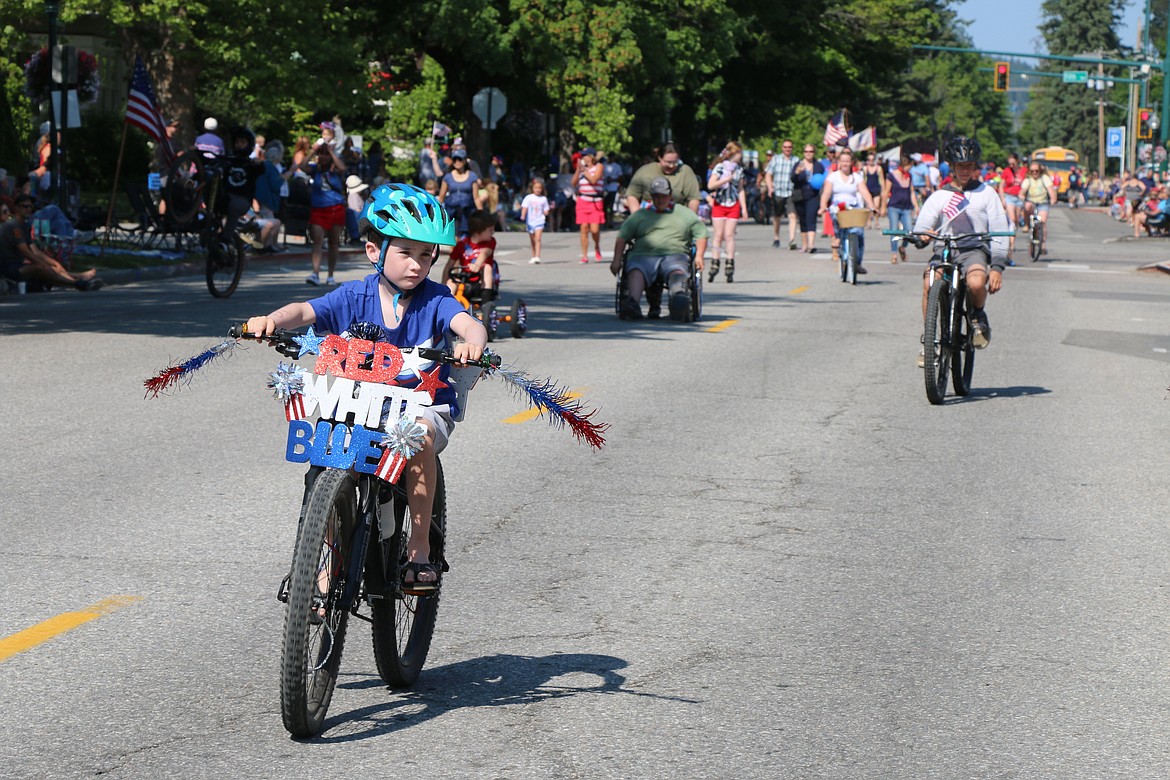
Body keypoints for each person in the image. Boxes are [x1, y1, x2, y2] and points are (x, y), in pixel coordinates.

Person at [244, 183, 487, 593]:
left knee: (418, 438)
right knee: (328, 453)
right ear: (375, 251)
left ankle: (420, 548)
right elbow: (306, 310)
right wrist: (272, 319)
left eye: (427, 255)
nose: (417, 264)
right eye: (406, 252)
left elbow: (467, 322)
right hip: (363, 404)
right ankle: (321, 560)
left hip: (421, 408)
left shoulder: (436, 299)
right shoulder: (354, 295)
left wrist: (472, 342)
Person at [912, 136, 1009, 367]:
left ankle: (977, 314)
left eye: (969, 166)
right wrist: (922, 236)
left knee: (976, 282)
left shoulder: (987, 193)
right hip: (944, 249)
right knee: (928, 283)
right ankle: (930, 341)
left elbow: (999, 230)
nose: (965, 170)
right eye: (960, 166)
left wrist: (997, 268)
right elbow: (922, 227)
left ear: (976, 166)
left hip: (973, 249)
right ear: (952, 167)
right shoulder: (940, 195)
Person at [610, 176, 708, 321]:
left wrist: (699, 255)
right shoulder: (640, 215)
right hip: (643, 254)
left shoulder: (684, 213)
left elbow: (701, 233)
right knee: (637, 269)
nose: (660, 199)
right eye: (656, 196)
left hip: (675, 254)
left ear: (670, 195)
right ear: (651, 196)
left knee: (677, 270)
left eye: (663, 196)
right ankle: (633, 303)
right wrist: (616, 260)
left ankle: (678, 296)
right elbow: (622, 236)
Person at [0, 194, 103, 292]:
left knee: (53, 266)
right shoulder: (12, 226)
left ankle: (79, 282)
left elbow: (35, 251)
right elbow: (26, 252)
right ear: (17, 208)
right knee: (40, 267)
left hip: (19, 265)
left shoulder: (24, 226)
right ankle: (77, 284)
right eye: (25, 206)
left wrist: (54, 263)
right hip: (10, 268)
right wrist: (44, 264)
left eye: (30, 207)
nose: (29, 209)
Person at [288, 140, 347, 285]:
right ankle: (315, 273)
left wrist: (331, 152)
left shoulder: (335, 170)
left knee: (333, 242)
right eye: (322, 154)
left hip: (336, 207)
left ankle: (330, 275)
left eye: (325, 154)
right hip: (319, 209)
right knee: (317, 240)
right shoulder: (316, 169)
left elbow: (343, 168)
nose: (324, 157)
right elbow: (302, 166)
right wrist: (314, 151)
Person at [817, 148, 877, 273]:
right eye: (843, 161)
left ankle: (857, 263)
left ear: (852, 163)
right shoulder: (833, 177)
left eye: (847, 161)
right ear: (839, 162)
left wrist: (872, 206)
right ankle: (838, 237)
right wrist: (823, 206)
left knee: (859, 232)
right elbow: (826, 193)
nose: (845, 164)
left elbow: (865, 192)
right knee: (837, 222)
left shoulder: (857, 177)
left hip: (853, 207)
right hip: (838, 208)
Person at [706, 141, 748, 282]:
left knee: (729, 235)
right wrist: (725, 179)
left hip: (733, 204)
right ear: (732, 154)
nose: (740, 156)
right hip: (719, 204)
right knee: (718, 235)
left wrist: (744, 208)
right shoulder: (720, 167)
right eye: (738, 153)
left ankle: (730, 263)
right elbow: (710, 185)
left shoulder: (739, 169)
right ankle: (715, 262)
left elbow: (741, 189)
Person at [625, 143, 701, 214]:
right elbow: (632, 195)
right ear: (659, 158)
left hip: (676, 217)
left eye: (675, 162)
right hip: (649, 217)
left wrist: (690, 220)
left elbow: (694, 198)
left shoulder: (685, 171)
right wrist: (637, 218)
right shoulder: (645, 171)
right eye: (668, 162)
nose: (671, 166)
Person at [441, 209, 497, 302]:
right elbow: (449, 266)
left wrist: (477, 265)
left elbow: (485, 253)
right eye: (490, 229)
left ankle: (485, 302)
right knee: (451, 282)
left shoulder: (490, 242)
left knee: (487, 267)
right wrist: (443, 285)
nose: (493, 232)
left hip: (479, 283)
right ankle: (446, 305)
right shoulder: (462, 245)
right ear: (479, 232)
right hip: (464, 282)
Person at [438, 149, 483, 237]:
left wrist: (481, 215)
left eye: (459, 159)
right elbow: (441, 197)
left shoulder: (472, 176)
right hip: (452, 211)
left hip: (467, 212)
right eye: (454, 159)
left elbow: (476, 197)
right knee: (454, 238)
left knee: (467, 238)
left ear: (465, 160)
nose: (457, 162)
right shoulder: (448, 177)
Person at [764, 139, 800, 250]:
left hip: (791, 191)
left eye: (789, 147)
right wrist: (770, 187)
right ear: (782, 148)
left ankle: (792, 240)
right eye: (785, 147)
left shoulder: (796, 160)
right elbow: (768, 174)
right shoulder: (775, 159)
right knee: (777, 216)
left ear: (792, 148)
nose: (787, 149)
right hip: (778, 191)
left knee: (793, 215)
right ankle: (776, 237)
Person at [882, 155, 918, 263]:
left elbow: (911, 192)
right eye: (909, 166)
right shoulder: (891, 176)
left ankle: (903, 247)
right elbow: (886, 192)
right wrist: (883, 207)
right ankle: (894, 254)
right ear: (904, 165)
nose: (910, 168)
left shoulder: (909, 176)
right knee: (894, 230)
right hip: (894, 206)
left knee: (909, 231)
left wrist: (916, 206)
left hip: (906, 207)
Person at [1018, 161, 1057, 254]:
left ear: (1040, 171)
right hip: (1031, 202)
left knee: (1042, 222)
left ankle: (1042, 245)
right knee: (1027, 206)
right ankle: (1027, 225)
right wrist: (1022, 196)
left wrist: (1053, 199)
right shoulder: (1028, 180)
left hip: (1042, 203)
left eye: (1036, 171)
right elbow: (1022, 192)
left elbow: (1051, 190)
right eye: (1032, 171)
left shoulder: (1045, 178)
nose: (1034, 173)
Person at [791, 144, 825, 253]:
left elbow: (822, 179)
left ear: (814, 153)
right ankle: (804, 245)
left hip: (813, 195)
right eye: (806, 151)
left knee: (811, 218)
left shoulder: (818, 165)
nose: (808, 153)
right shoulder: (798, 164)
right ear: (803, 153)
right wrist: (797, 172)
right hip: (800, 195)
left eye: (811, 151)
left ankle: (811, 245)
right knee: (803, 220)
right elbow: (792, 178)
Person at [575, 148, 606, 264]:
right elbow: (573, 183)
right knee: (583, 228)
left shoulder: (599, 166)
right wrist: (578, 171)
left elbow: (594, 180)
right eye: (582, 156)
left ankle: (597, 246)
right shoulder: (582, 170)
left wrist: (584, 170)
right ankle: (584, 255)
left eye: (585, 156)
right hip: (583, 200)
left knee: (594, 229)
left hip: (595, 201)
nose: (583, 158)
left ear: (591, 156)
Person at [999, 153, 1026, 254]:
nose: (1011, 166)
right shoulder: (1006, 171)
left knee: (1016, 221)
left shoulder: (1024, 171)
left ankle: (1012, 242)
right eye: (1009, 164)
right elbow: (1001, 185)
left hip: (1019, 197)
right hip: (1009, 196)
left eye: (1013, 164)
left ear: (1017, 162)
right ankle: (1009, 243)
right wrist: (1002, 198)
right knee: (1012, 219)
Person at [520, 178, 550, 264]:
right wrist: (523, 215)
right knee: (532, 239)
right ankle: (533, 256)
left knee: (538, 238)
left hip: (539, 221)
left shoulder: (543, 199)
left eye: (539, 188)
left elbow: (546, 209)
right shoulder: (528, 198)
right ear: (532, 188)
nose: (538, 190)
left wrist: (546, 212)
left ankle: (537, 256)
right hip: (530, 221)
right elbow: (524, 207)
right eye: (536, 188)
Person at [862, 151, 885, 228]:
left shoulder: (878, 168)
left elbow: (882, 180)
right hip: (868, 189)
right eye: (869, 160)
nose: (871, 161)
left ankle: (876, 221)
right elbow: (863, 179)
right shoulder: (865, 168)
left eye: (872, 160)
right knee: (869, 207)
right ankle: (868, 222)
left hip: (876, 189)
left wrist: (883, 190)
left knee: (876, 206)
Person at [345, 174, 369, 245]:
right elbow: (356, 208)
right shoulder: (353, 196)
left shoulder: (355, 195)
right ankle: (355, 237)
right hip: (355, 218)